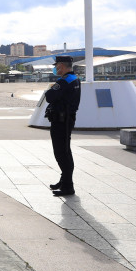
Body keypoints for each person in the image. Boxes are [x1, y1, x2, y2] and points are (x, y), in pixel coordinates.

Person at [45, 55, 81, 196]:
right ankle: (64, 180)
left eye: (56, 65)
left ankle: (68, 186)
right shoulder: (74, 79)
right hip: (65, 119)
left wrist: (52, 89)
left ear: (61, 65)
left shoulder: (65, 81)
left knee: (61, 153)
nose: (55, 68)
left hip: (62, 121)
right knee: (65, 151)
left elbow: (49, 96)